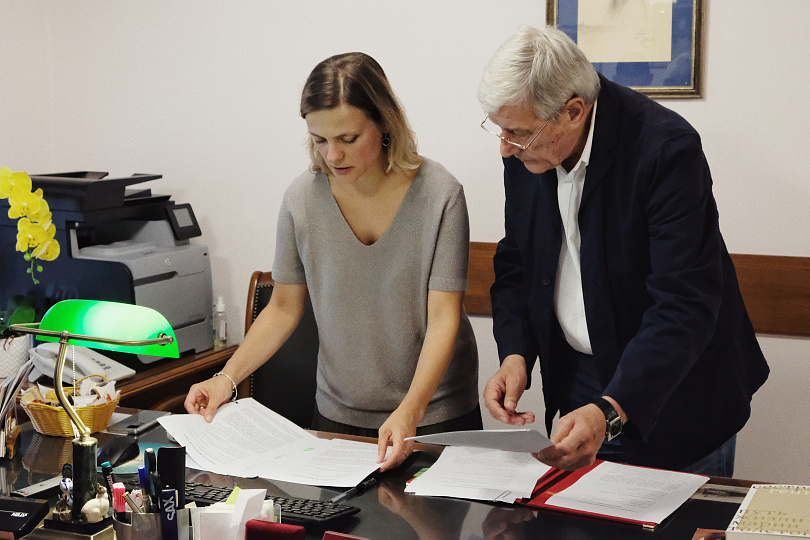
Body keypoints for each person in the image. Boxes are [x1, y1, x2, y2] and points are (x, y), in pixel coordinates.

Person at [478, 26, 769, 476]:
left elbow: (684, 302)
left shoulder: (665, 149)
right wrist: (515, 353)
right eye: (500, 130)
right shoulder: (527, 151)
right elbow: (518, 260)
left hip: (674, 388)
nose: (504, 147)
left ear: (573, 111)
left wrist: (610, 410)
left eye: (516, 133)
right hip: (579, 376)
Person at [185, 52, 481, 472]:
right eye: (320, 140)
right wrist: (225, 379)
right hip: (339, 414)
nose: (333, 155)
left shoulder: (441, 194)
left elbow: (443, 317)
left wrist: (411, 411)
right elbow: (283, 308)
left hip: (435, 415)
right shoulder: (301, 199)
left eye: (348, 138)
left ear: (384, 124)